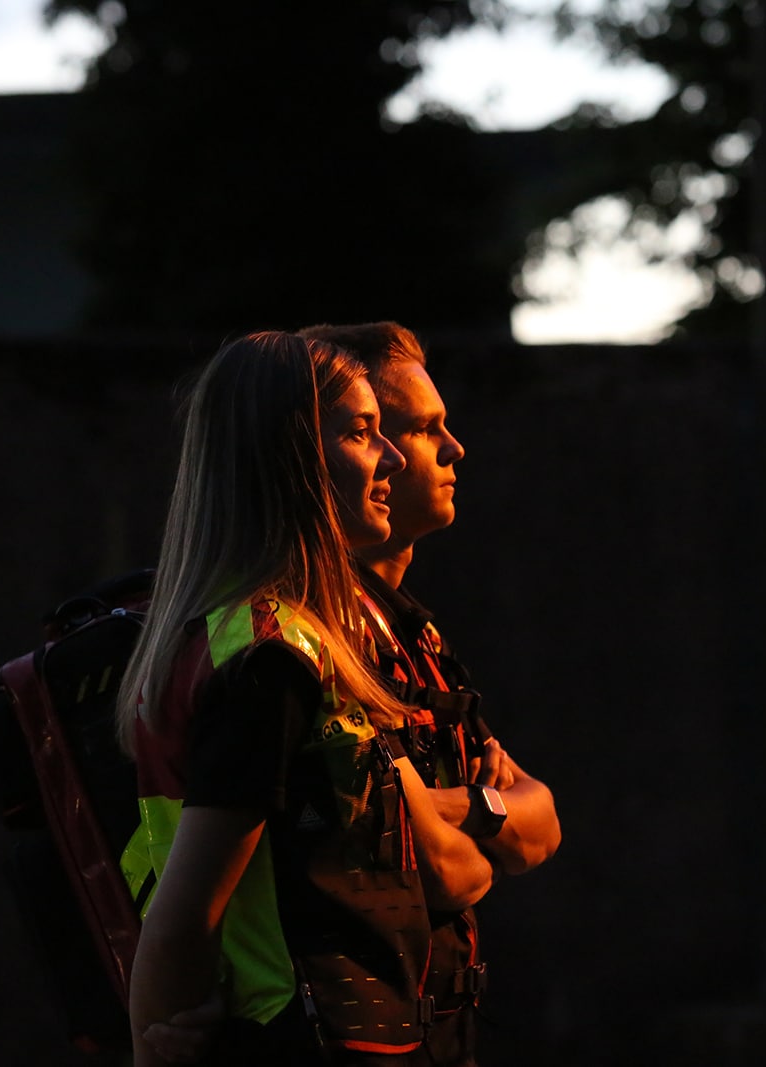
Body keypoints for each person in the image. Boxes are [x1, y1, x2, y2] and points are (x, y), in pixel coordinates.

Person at [116, 331, 496, 1067]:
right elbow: (186, 914)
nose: (391, 458)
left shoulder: (286, 635)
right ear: (288, 458)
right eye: (360, 432)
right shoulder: (272, 658)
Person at [297, 321, 563, 1061]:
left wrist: (462, 806)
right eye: (423, 428)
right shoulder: (318, 638)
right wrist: (485, 815)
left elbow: (543, 824)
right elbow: (447, 872)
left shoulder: (417, 637)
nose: (456, 449)